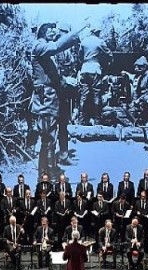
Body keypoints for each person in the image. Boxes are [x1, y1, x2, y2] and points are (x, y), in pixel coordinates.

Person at [30, 22, 87, 175]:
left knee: (51, 136)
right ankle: (47, 173)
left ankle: (49, 169)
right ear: (43, 32)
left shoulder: (44, 49)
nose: (54, 33)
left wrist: (65, 80)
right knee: (48, 137)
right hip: (45, 99)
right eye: (51, 31)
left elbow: (51, 74)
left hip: (50, 97)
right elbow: (55, 47)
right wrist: (77, 30)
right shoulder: (39, 46)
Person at [54, 23, 79, 166]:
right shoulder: (55, 48)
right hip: (56, 90)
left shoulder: (67, 50)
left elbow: (71, 68)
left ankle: (63, 154)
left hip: (65, 91)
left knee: (63, 123)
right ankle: (57, 156)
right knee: (54, 124)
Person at [78, 26, 112, 125]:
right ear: (97, 32)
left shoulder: (84, 41)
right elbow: (109, 54)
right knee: (96, 94)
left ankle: (81, 120)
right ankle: (97, 120)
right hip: (95, 68)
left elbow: (80, 56)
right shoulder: (99, 42)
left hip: (84, 69)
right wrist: (109, 62)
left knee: (84, 96)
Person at [121, 56, 148, 126]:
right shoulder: (140, 77)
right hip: (140, 102)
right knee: (126, 111)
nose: (137, 68)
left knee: (147, 100)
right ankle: (137, 122)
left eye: (140, 66)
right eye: (136, 66)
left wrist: (138, 100)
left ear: (145, 66)